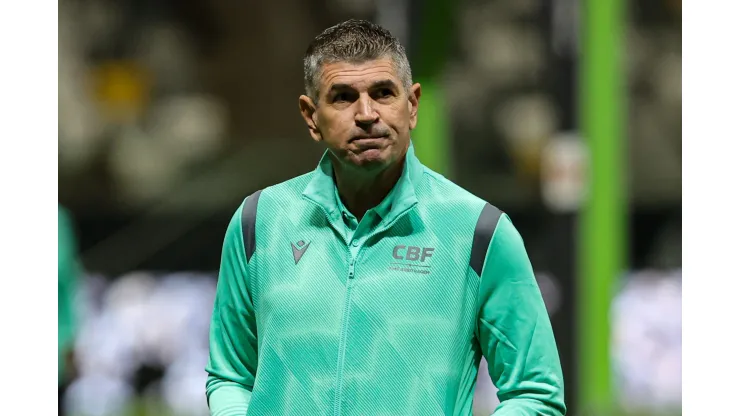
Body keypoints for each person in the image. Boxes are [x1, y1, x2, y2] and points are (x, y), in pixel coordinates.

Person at [206, 19, 566, 416]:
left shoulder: (480, 232)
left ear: (411, 105)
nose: (366, 113)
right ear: (311, 116)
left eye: (382, 93)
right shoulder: (258, 222)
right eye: (343, 96)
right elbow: (230, 377)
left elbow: (535, 393)